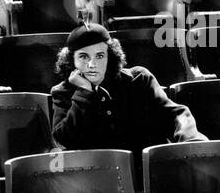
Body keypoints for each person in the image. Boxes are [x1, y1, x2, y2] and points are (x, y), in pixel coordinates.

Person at [49, 22, 206, 156]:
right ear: (71, 61)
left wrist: (192, 142)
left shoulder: (139, 79)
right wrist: (84, 93)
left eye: (100, 56)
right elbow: (64, 139)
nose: (92, 65)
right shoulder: (62, 92)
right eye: (83, 57)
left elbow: (176, 115)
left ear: (110, 57)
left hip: (147, 170)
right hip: (100, 176)